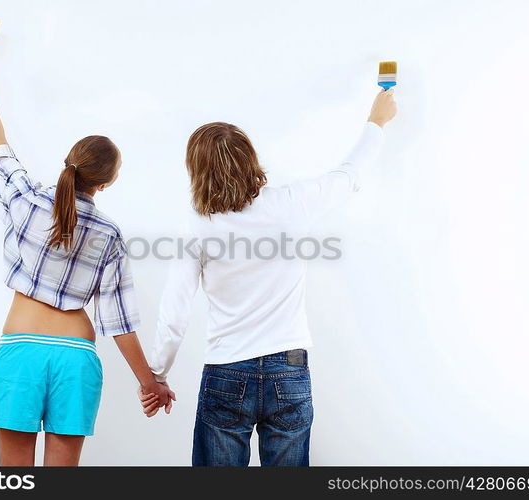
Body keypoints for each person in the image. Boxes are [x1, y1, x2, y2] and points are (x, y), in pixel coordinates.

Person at [140, 89, 397, 466]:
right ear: (250, 160)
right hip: (288, 372)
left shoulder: (195, 227)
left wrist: (158, 375)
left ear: (196, 169)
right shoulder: (291, 204)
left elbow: (174, 313)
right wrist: (377, 121)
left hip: (227, 373)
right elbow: (349, 173)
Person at [0, 49, 174, 466]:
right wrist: (149, 383)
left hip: (21, 351)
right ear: (107, 182)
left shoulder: (26, 200)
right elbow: (120, 324)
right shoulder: (109, 235)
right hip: (75, 358)